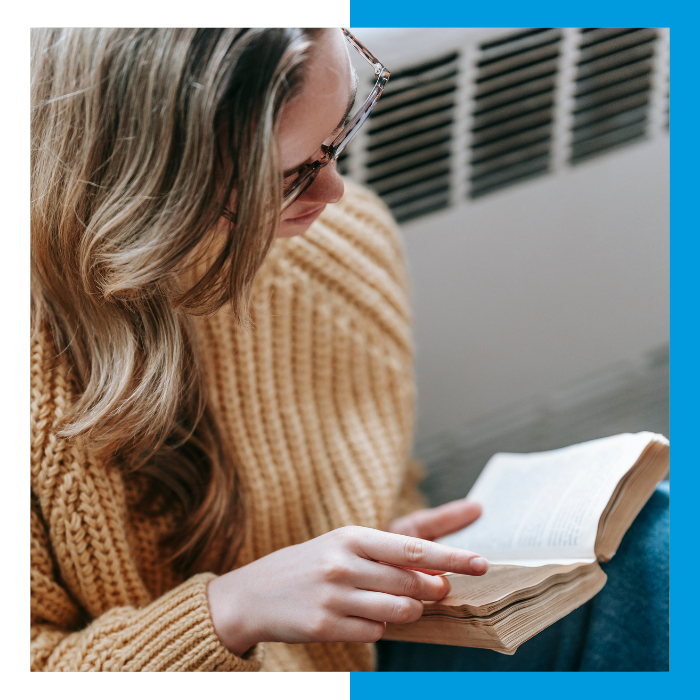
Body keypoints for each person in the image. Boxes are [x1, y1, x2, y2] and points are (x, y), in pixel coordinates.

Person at [30, 27, 668, 673]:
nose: (335, 193)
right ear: (140, 184)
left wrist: (392, 535)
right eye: (284, 178)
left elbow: (375, 471)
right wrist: (230, 612)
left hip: (362, 647)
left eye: (338, 137)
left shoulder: (342, 249)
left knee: (659, 536)